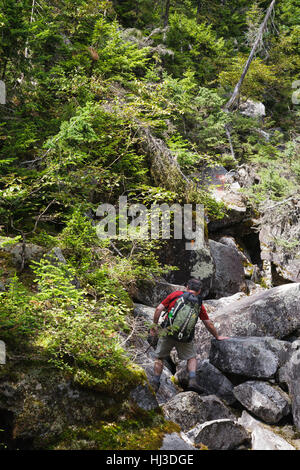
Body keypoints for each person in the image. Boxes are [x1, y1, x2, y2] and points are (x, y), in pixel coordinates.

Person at [150, 278, 228, 393]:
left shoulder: (177, 295)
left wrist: (154, 325)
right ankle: (192, 380)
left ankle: (155, 383)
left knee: (160, 357)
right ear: (199, 291)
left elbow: (159, 308)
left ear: (187, 287)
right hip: (185, 337)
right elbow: (208, 323)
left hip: (168, 332)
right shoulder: (199, 303)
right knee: (191, 358)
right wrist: (217, 336)